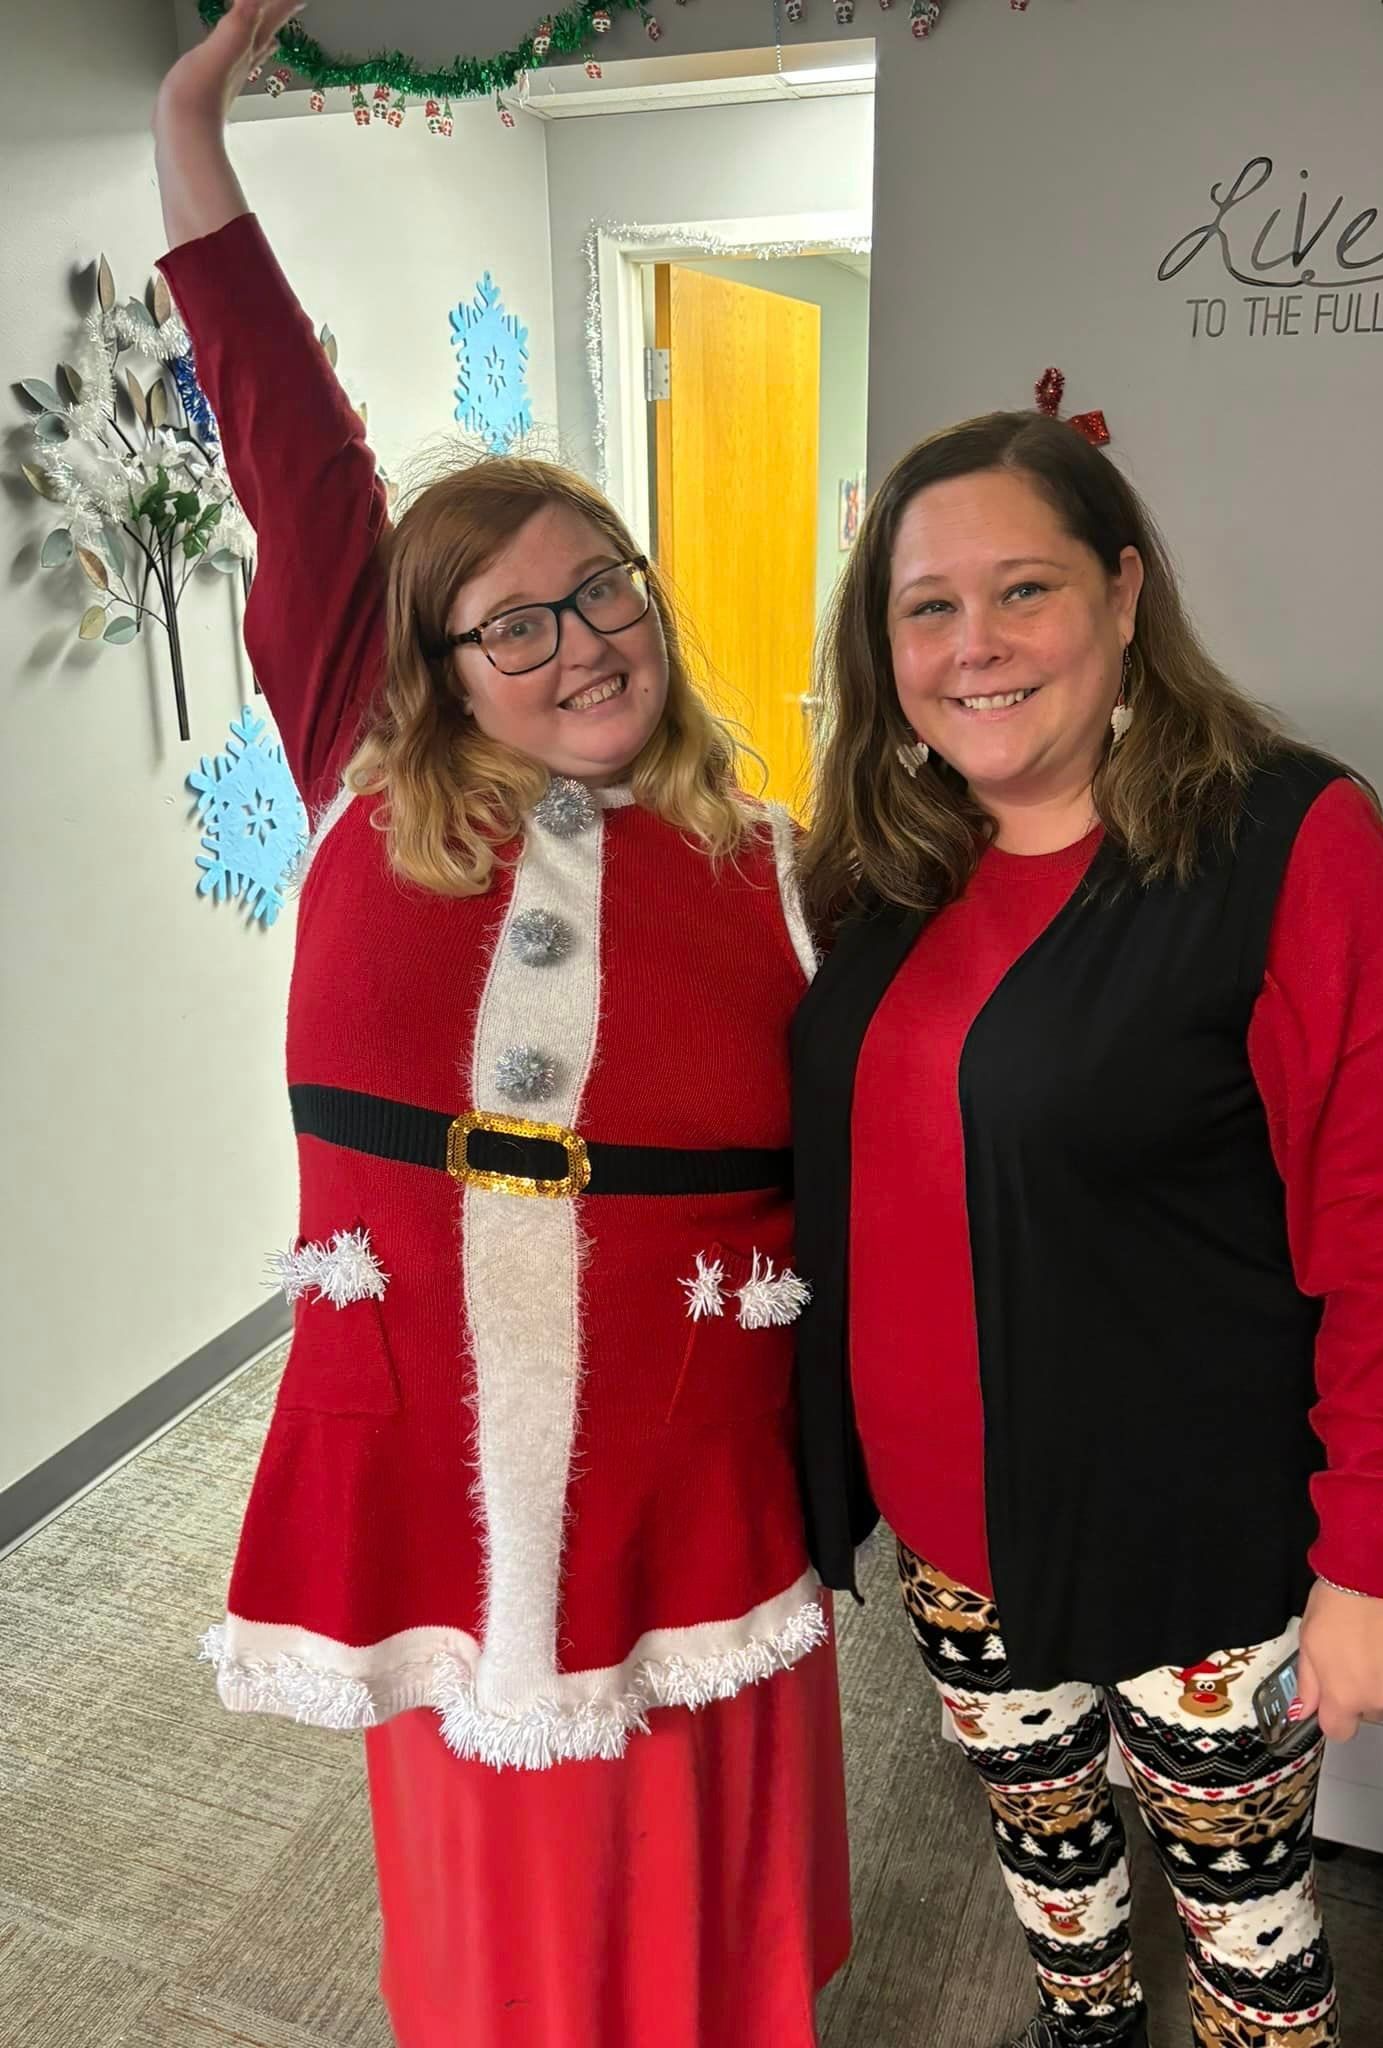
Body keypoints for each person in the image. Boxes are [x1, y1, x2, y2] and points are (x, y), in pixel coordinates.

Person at [151, 6, 849, 2044]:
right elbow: (288, 434)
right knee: (499, 1855)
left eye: (607, 586)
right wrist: (192, 124)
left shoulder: (775, 851)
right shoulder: (376, 770)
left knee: (701, 1817)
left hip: (684, 1425)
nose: (583, 640)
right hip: (439, 1429)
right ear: (437, 661)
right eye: (517, 617)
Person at [790, 409, 1383, 2048]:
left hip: (1199, 1546)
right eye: (926, 608)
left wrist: (1381, 1555)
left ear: (1120, 595)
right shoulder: (889, 865)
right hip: (960, 1545)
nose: (974, 648)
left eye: (1020, 590)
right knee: (1060, 1920)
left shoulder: (1280, 840)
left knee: (1246, 1952)